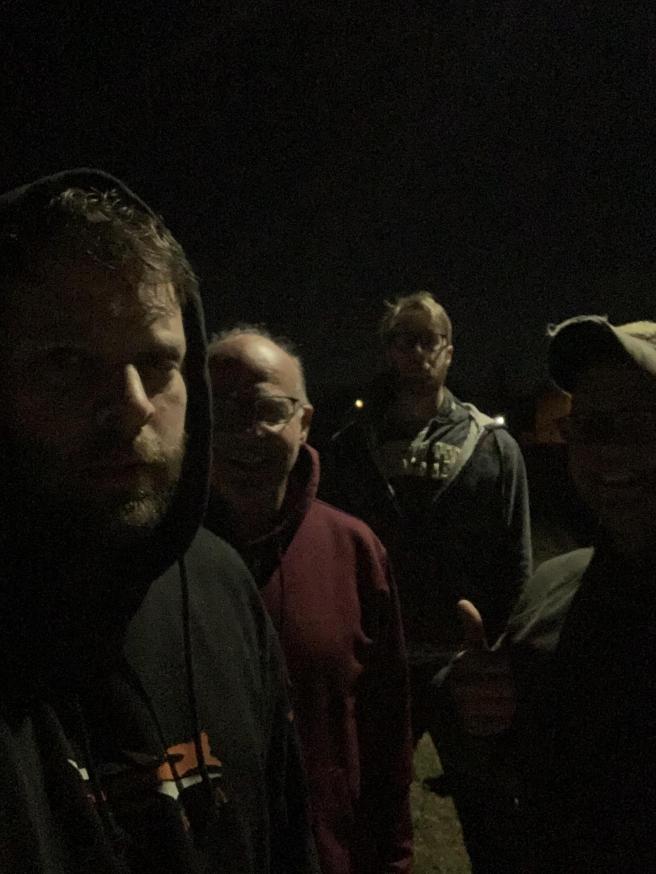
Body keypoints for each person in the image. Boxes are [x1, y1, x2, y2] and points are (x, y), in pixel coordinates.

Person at [0, 170, 318, 873]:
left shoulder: (220, 584)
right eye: (66, 362)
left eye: (157, 362)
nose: (133, 404)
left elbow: (286, 839)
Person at [325, 291, 532, 871]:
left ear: (449, 351)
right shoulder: (350, 449)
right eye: (403, 340)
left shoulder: (493, 447)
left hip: (463, 664)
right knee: (367, 814)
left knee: (493, 817)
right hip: (378, 664)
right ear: (387, 351)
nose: (416, 352)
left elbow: (516, 564)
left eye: (428, 340)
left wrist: (504, 662)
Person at [204, 327, 414, 874]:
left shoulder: (354, 550)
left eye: (269, 410)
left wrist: (391, 859)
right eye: (222, 412)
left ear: (305, 422)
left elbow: (386, 737)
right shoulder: (156, 557)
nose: (246, 432)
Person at [451, 315, 656, 872]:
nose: (608, 450)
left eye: (641, 422)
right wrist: (484, 714)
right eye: (588, 426)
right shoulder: (550, 593)